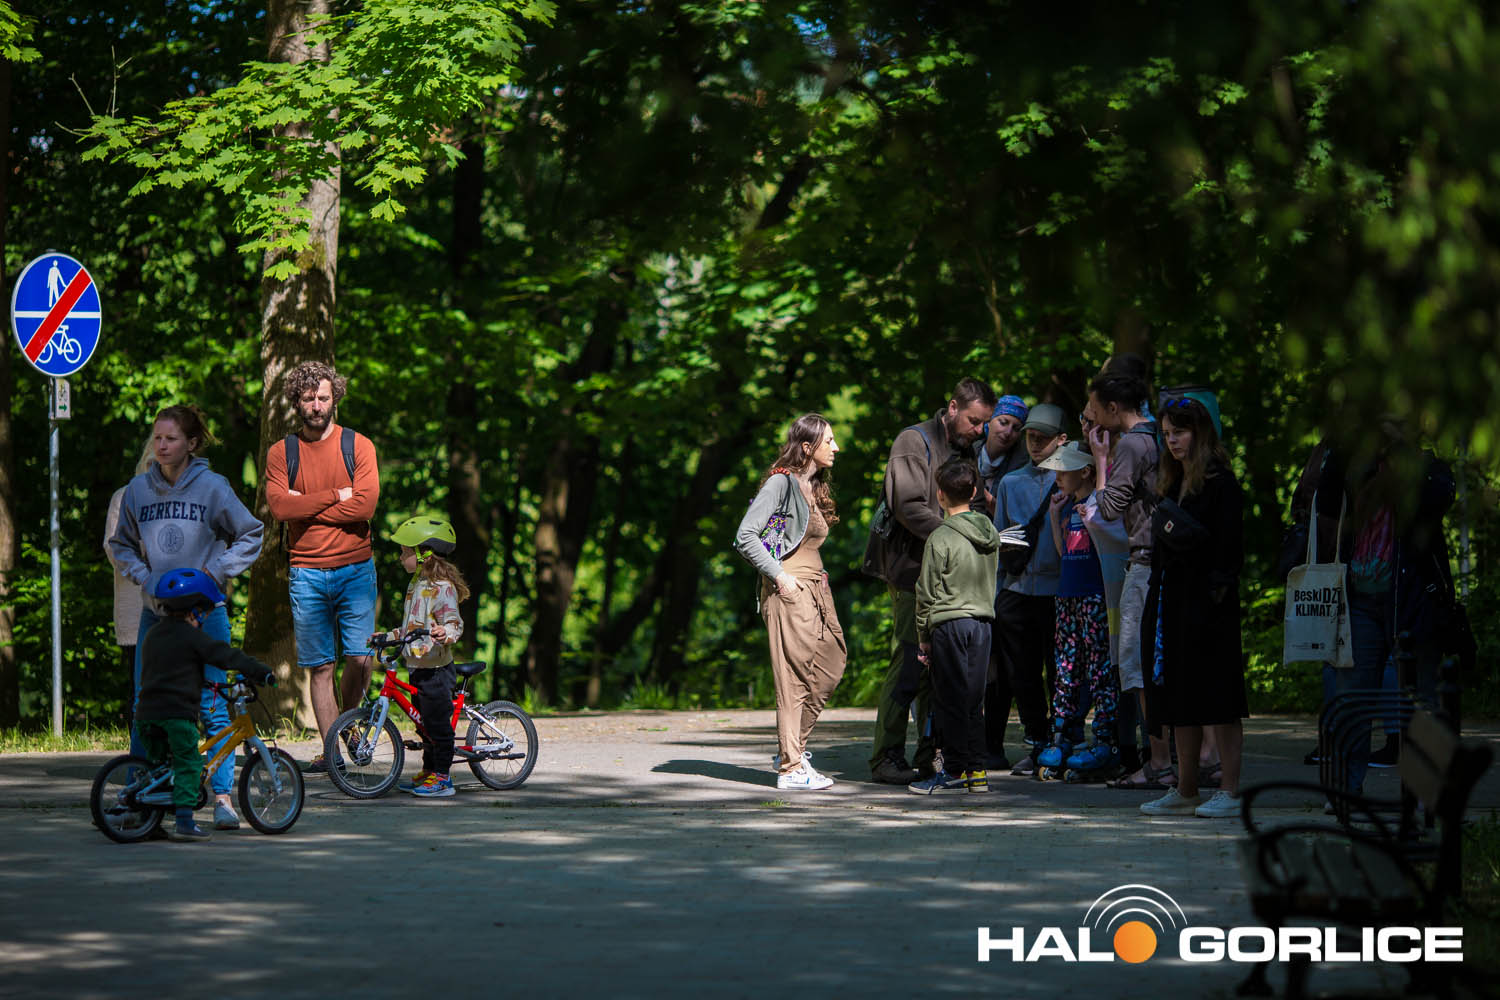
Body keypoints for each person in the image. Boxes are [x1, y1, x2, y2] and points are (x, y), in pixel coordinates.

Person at [109, 404, 264, 831]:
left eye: (171, 438)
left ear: (191, 443)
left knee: (212, 703)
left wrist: (214, 572)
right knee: (147, 704)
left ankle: (222, 798)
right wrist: (144, 576)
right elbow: (121, 545)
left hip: (205, 613)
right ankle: (142, 795)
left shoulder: (213, 487)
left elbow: (251, 533)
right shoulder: (138, 490)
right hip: (156, 615)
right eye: (157, 438)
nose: (161, 446)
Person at [1306, 419, 1456, 786]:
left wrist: (1400, 452)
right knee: (1352, 697)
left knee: (1421, 698)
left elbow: (1434, 503)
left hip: (1414, 598)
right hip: (1360, 596)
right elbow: (1323, 501)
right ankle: (1344, 789)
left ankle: (1426, 791)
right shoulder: (1356, 466)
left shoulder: (1429, 469)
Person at [863, 377, 997, 784]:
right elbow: (907, 506)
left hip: (954, 579)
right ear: (953, 408)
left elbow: (971, 503)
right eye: (974, 421)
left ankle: (931, 754)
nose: (980, 431)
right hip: (912, 574)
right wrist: (957, 533)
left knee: (940, 673)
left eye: (984, 424)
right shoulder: (913, 442)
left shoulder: (965, 449)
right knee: (910, 665)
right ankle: (886, 757)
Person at [264, 361, 380, 771]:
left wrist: (306, 506)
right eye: (309, 398)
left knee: (361, 659)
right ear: (296, 402)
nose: (316, 405)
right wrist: (335, 495)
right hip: (306, 573)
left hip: (356, 569)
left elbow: (364, 506)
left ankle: (347, 726)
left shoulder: (358, 446)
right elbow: (281, 508)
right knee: (321, 667)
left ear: (335, 399)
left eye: (323, 398)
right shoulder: (282, 452)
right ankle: (334, 757)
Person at [1138, 396, 1247, 818]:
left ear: (1199, 433)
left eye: (1179, 432)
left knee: (1219, 696)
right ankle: (1186, 789)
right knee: (1178, 695)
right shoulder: (1172, 482)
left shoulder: (1221, 482)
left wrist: (1215, 595)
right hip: (1172, 600)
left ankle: (1230, 791)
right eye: (1167, 434)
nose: (1172, 441)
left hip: (1211, 604)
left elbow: (1229, 551)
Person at [734, 414, 847, 791]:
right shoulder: (780, 483)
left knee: (832, 663)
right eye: (829, 441)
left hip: (817, 589)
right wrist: (781, 578)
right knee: (794, 679)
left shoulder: (812, 486)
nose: (836, 447)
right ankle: (791, 767)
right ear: (807, 447)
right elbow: (745, 536)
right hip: (789, 589)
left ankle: (793, 749)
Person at [136, 569, 273, 842]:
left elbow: (171, 670)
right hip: (176, 717)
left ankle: (148, 820)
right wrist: (259, 671)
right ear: (193, 612)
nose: (204, 620)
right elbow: (225, 655)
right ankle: (185, 822)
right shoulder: (192, 636)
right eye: (204, 614)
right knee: (189, 765)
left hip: (146, 715)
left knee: (159, 768)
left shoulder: (153, 634)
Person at [1084, 370, 1172, 789]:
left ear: (1113, 408)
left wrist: (1101, 460)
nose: (1091, 416)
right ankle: (1189, 757)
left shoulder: (1133, 445)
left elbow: (1109, 508)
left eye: (1094, 408)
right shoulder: (1160, 436)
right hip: (1167, 562)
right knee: (1162, 662)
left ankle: (1158, 761)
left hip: (1144, 563)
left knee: (1135, 664)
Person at [909, 458, 1000, 794]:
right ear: (974, 492)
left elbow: (926, 590)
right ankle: (977, 771)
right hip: (982, 624)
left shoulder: (941, 536)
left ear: (939, 495)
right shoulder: (990, 532)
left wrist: (923, 636)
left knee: (950, 699)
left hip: (948, 624)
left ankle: (953, 769)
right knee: (974, 699)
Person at [1034, 441, 1119, 780]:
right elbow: (1064, 553)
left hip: (1094, 596)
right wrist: (1055, 517)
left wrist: (1092, 522)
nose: (1057, 476)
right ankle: (1062, 735)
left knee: (1099, 667)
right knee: (1066, 667)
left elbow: (1112, 546)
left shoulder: (1097, 503)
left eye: (1064, 469)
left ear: (1085, 472)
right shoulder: (1069, 507)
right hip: (1067, 595)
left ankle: (1105, 738)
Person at [992, 402, 1067, 776]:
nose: (1035, 443)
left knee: (1061, 672)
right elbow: (1001, 538)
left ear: (1061, 439)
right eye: (1030, 436)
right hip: (1017, 590)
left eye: (1043, 437)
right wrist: (997, 594)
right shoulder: (1010, 482)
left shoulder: (1070, 480)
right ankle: (1037, 740)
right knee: (1022, 674)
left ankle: (1062, 740)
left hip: (1057, 591)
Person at [382, 516, 469, 799]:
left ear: (424, 554)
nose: (400, 558)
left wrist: (446, 632)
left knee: (437, 726)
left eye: (404, 552)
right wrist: (387, 636)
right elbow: (411, 628)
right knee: (424, 726)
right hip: (418, 666)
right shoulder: (416, 585)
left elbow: (454, 623)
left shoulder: (442, 587)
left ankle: (443, 778)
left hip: (436, 670)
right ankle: (429, 770)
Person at [978, 394, 1030, 768]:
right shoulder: (967, 455)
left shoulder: (1022, 464)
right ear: (989, 422)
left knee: (1002, 659)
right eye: (1003, 422)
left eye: (1015, 427)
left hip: (1005, 571)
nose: (1008, 431)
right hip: (970, 569)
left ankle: (992, 744)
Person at [104, 440, 154, 728]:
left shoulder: (182, 498)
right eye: (151, 463)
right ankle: (140, 745)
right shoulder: (123, 498)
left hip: (176, 608)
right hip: (136, 605)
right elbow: (115, 547)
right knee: (139, 683)